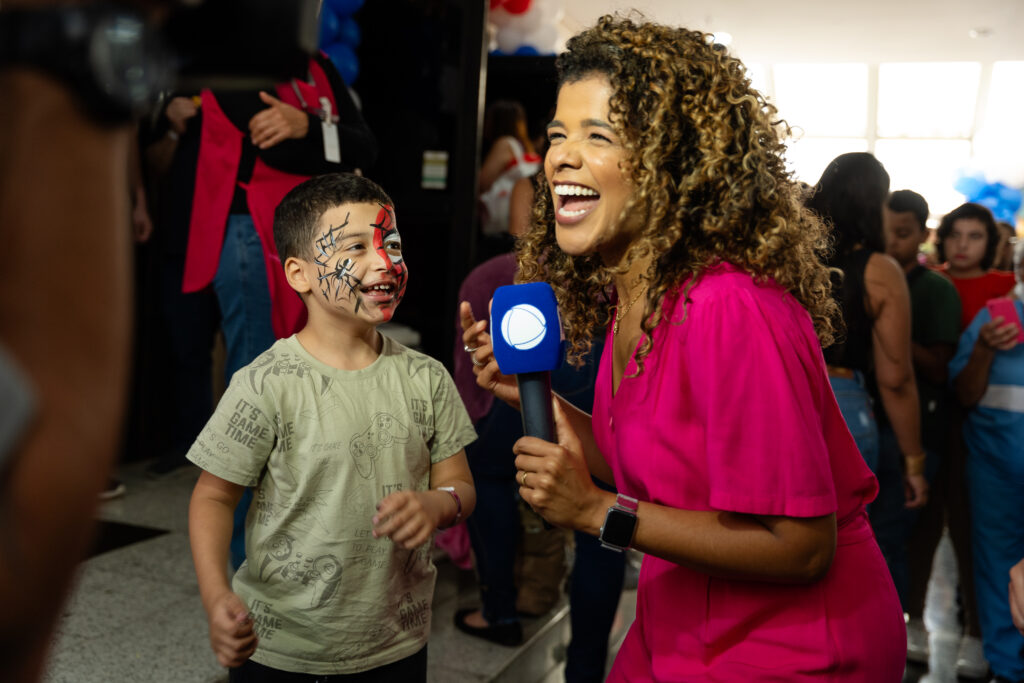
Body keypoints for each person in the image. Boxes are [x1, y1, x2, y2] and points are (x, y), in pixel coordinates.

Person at [461, 15, 905, 681]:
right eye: (557, 135)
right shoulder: (638, 295)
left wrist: (595, 512)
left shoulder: (730, 306)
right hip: (680, 619)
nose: (560, 157)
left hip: (798, 646)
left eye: (597, 135)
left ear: (672, 161)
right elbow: (647, 461)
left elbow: (804, 547)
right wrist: (538, 401)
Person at [187, 173, 477, 680]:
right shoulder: (265, 384)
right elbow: (212, 497)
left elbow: (462, 486)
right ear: (299, 274)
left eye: (391, 243)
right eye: (356, 246)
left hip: (396, 644)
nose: (384, 261)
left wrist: (438, 502)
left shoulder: (427, 378)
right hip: (281, 648)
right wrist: (216, 597)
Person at [453, 248, 626, 682]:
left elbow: (469, 393)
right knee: (606, 529)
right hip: (598, 387)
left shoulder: (491, 273)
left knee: (487, 472)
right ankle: (585, 669)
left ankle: (500, 612)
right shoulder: (624, 276)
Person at [805, 154, 928, 514]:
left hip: (780, 395)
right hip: (844, 405)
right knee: (847, 541)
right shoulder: (880, 271)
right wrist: (914, 461)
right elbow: (896, 379)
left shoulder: (785, 259)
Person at [871, 190, 962, 665]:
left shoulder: (935, 290)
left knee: (896, 537)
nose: (892, 242)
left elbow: (939, 368)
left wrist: (893, 334)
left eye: (903, 234)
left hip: (917, 430)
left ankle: (901, 625)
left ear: (925, 235)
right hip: (869, 424)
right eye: (885, 231)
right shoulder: (865, 275)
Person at [949, 269, 1023, 683]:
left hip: (998, 466)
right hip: (996, 468)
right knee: (998, 568)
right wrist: (983, 349)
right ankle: (1007, 669)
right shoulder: (995, 320)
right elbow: (964, 393)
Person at [934, 202, 1016, 331]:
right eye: (954, 235)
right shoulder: (923, 279)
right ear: (943, 238)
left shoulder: (1010, 286)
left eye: (974, 236)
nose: (962, 245)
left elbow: (1008, 344)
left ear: (990, 242)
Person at [477, 99, 541, 260]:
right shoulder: (527, 147)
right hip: (524, 226)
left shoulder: (504, 144)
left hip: (503, 231)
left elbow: (481, 183)